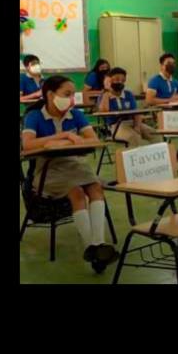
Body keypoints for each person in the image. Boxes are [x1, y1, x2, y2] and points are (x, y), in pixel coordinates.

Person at [21, 76, 119, 272]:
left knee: (95, 188)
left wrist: (58, 143)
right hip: (49, 170)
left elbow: (92, 139)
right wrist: (65, 136)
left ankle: (97, 244)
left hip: (75, 165)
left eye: (73, 95)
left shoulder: (75, 114)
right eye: (67, 94)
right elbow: (28, 144)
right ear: (50, 95)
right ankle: (89, 245)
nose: (72, 100)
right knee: (76, 193)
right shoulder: (34, 115)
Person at [96, 67, 159, 148]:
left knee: (154, 134)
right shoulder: (103, 96)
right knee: (133, 138)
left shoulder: (128, 94)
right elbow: (104, 111)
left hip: (132, 122)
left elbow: (136, 112)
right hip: (116, 126)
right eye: (117, 79)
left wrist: (137, 126)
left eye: (122, 80)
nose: (119, 82)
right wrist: (107, 92)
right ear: (110, 81)